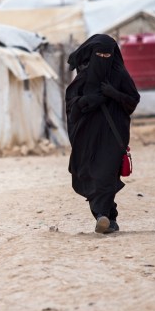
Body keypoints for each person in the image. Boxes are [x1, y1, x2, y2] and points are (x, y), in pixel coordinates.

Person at [65, 34, 140, 234]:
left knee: (106, 174)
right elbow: (71, 103)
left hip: (113, 134)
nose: (104, 59)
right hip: (86, 135)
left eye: (108, 55)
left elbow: (133, 100)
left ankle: (102, 216)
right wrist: (86, 101)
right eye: (100, 55)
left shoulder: (120, 75)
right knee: (91, 174)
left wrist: (113, 94)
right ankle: (109, 217)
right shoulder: (84, 76)